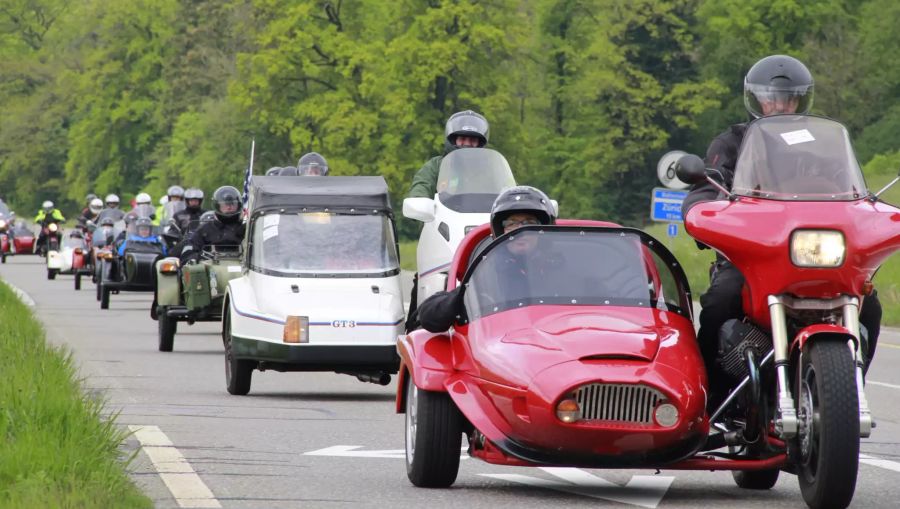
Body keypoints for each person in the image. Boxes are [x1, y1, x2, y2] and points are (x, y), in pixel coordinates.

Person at [683, 54, 883, 393]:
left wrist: (870, 211)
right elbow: (707, 185)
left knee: (870, 306)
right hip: (752, 258)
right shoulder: (731, 142)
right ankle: (707, 398)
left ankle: (849, 389)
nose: (779, 105)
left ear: (801, 99)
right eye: (771, 98)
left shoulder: (824, 143)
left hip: (815, 253)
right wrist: (704, 209)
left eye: (788, 98)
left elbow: (851, 190)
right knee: (720, 300)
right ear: (756, 99)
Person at [416, 186, 556, 333]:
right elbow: (428, 316)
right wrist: (463, 296)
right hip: (501, 341)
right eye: (511, 223)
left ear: (545, 228)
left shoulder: (565, 269)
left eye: (529, 224)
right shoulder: (486, 271)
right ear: (501, 230)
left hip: (557, 339)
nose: (519, 230)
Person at [406, 110, 489, 199]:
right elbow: (421, 189)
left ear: (480, 143)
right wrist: (419, 201)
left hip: (482, 213)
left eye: (473, 140)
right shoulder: (435, 166)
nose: (467, 143)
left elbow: (503, 194)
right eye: (462, 138)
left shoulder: (491, 169)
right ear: (453, 140)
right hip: (443, 213)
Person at [180, 186, 245, 263]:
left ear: (239, 205)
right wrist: (200, 257)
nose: (229, 207)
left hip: (245, 269)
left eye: (232, 204)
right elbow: (187, 255)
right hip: (210, 270)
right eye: (225, 205)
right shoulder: (204, 230)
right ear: (217, 206)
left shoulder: (247, 229)